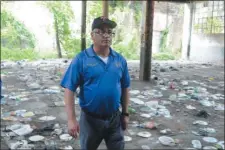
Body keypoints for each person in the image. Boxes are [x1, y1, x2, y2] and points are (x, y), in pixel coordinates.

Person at [60, 16, 130, 150]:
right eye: (100, 31)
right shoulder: (81, 59)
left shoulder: (120, 60)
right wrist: (71, 119)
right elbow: (69, 89)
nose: (106, 35)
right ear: (92, 35)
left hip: (114, 118)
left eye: (109, 32)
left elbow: (125, 87)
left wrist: (125, 114)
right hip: (90, 120)